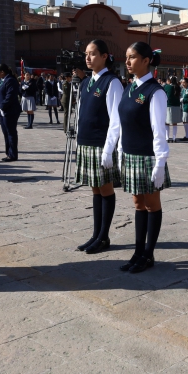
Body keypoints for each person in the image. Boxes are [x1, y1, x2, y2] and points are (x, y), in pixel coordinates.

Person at [117, 43, 171, 274]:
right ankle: (138, 251)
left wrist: (160, 161)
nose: (128, 62)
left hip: (148, 157)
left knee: (152, 205)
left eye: (132, 57)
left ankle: (148, 254)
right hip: (130, 154)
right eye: (126, 57)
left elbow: (159, 130)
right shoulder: (129, 88)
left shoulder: (155, 91)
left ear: (146, 60)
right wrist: (120, 150)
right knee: (138, 204)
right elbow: (123, 123)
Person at [75, 39, 123, 254]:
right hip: (85, 142)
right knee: (95, 189)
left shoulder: (111, 82)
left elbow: (116, 119)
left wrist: (109, 149)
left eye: (93, 53)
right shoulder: (85, 82)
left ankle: (104, 236)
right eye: (86, 53)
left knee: (105, 189)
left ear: (104, 56)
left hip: (101, 144)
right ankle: (96, 235)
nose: (88, 57)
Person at [0, 64, 21, 162]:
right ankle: (8, 153)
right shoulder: (1, 80)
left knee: (11, 132)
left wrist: (2, 106)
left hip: (10, 110)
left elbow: (10, 96)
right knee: (6, 132)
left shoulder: (10, 80)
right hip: (2, 110)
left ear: (2, 72)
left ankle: (13, 154)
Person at [164, 76, 182, 142]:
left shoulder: (167, 87)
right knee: (174, 123)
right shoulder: (178, 87)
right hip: (176, 106)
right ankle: (174, 138)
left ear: (169, 81)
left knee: (166, 123)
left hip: (168, 105)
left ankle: (167, 138)